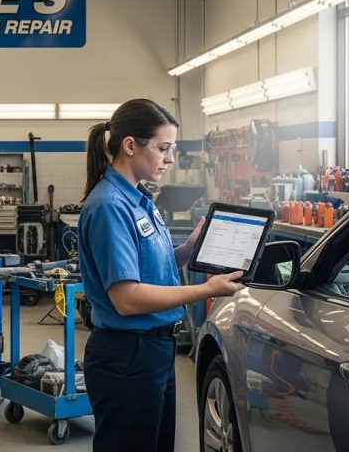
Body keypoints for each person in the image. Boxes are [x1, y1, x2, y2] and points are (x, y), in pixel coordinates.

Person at [78, 99, 245, 452]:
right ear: (130, 145)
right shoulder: (110, 206)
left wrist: (191, 250)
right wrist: (206, 290)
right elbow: (127, 298)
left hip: (153, 350)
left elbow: (147, 269)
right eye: (163, 148)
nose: (170, 159)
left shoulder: (139, 200)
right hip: (127, 355)